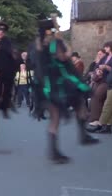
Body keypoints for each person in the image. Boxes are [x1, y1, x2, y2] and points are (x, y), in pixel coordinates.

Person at [31, 17, 98, 164]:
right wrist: (62, 41)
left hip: (47, 84)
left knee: (60, 114)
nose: (53, 31)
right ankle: (79, 137)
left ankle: (57, 150)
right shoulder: (54, 43)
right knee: (72, 107)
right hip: (56, 84)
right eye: (52, 29)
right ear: (49, 30)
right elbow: (64, 56)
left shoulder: (37, 45)